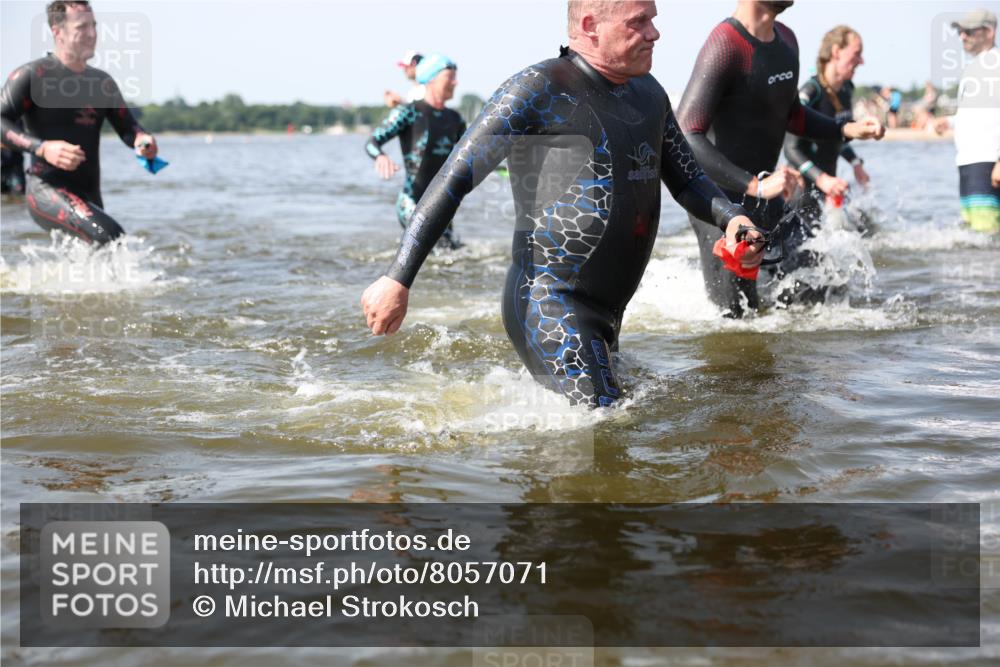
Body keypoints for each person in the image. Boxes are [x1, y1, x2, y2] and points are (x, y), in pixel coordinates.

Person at [361, 1, 761, 408]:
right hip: (550, 305)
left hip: (609, 312)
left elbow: (688, 179)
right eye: (639, 22)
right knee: (604, 424)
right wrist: (398, 278)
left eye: (653, 20)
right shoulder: (537, 90)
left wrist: (733, 219)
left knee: (622, 424)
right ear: (590, 25)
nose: (654, 33)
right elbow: (454, 178)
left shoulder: (649, 94)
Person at [677, 0, 884, 317]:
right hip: (722, 205)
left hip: (767, 197)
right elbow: (687, 134)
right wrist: (753, 185)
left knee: (816, 290)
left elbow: (793, 115)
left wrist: (845, 129)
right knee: (738, 319)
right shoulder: (726, 44)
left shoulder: (786, 40)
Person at [0, 1, 158, 245]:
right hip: (46, 189)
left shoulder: (102, 84)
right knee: (111, 238)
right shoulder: (33, 76)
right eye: (82, 27)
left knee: (96, 255)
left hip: (89, 193)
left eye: (94, 25)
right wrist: (43, 148)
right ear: (58, 31)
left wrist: (143, 141)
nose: (92, 34)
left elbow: (130, 129)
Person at [365, 53, 467, 249]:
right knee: (442, 250)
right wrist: (381, 156)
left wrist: (503, 166)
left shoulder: (456, 119)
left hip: (442, 205)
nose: (455, 82)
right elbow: (372, 141)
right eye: (450, 77)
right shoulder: (409, 112)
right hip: (411, 202)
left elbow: (472, 154)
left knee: (452, 254)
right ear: (431, 79)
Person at [783, 24, 870, 226]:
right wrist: (821, 179)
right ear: (836, 52)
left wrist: (855, 163)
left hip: (829, 186)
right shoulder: (811, 92)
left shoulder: (846, 90)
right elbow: (790, 148)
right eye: (857, 54)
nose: (861, 61)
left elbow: (835, 136)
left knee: (863, 227)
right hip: (803, 189)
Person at [934, 9, 999, 234]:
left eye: (969, 31)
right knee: (974, 234)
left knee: (987, 234)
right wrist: (950, 122)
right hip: (968, 161)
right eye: (960, 31)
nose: (962, 36)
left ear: (989, 32)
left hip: (989, 161)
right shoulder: (974, 67)